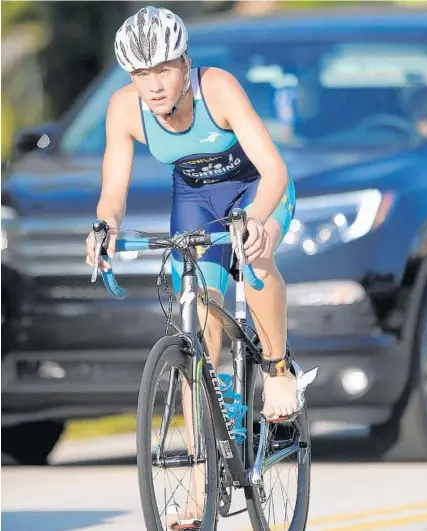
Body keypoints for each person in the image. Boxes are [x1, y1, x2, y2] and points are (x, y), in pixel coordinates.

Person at [85, 5, 299, 527]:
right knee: (198, 333)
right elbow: (113, 192)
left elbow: (274, 169)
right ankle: (202, 490)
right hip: (196, 198)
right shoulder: (123, 109)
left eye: (162, 70)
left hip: (257, 190)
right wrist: (104, 229)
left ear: (184, 63)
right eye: (140, 74)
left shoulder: (217, 88)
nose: (153, 86)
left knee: (255, 253)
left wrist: (253, 220)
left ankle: (275, 371)